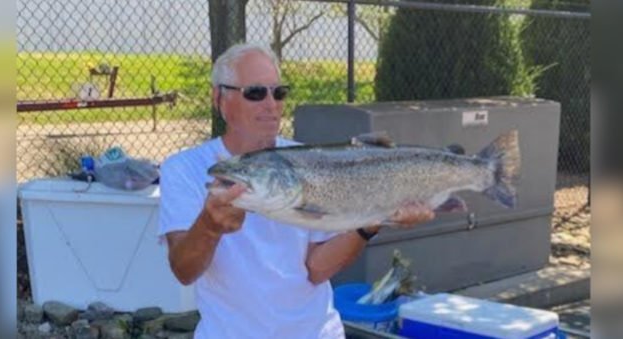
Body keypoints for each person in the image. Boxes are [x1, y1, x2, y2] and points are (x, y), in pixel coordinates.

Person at [158, 42, 435, 339]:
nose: (271, 104)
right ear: (220, 99)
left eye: (278, 92)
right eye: (255, 93)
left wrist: (372, 221)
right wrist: (209, 228)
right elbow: (184, 271)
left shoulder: (306, 160)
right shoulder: (185, 169)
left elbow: (315, 270)